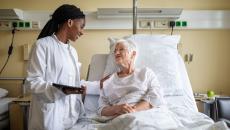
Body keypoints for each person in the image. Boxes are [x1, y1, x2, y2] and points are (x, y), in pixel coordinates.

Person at [25, 4, 86, 130]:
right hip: (49, 116)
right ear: (70, 22)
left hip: (70, 117)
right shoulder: (42, 45)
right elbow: (33, 82)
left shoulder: (73, 51)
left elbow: (71, 81)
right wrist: (61, 90)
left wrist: (78, 89)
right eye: (81, 26)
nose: (82, 32)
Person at [98, 39, 165, 117]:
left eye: (121, 49)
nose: (116, 53)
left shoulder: (146, 73)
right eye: (115, 51)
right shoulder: (108, 81)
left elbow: (156, 96)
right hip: (119, 117)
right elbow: (101, 110)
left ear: (133, 54)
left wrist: (133, 110)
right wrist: (117, 109)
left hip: (145, 113)